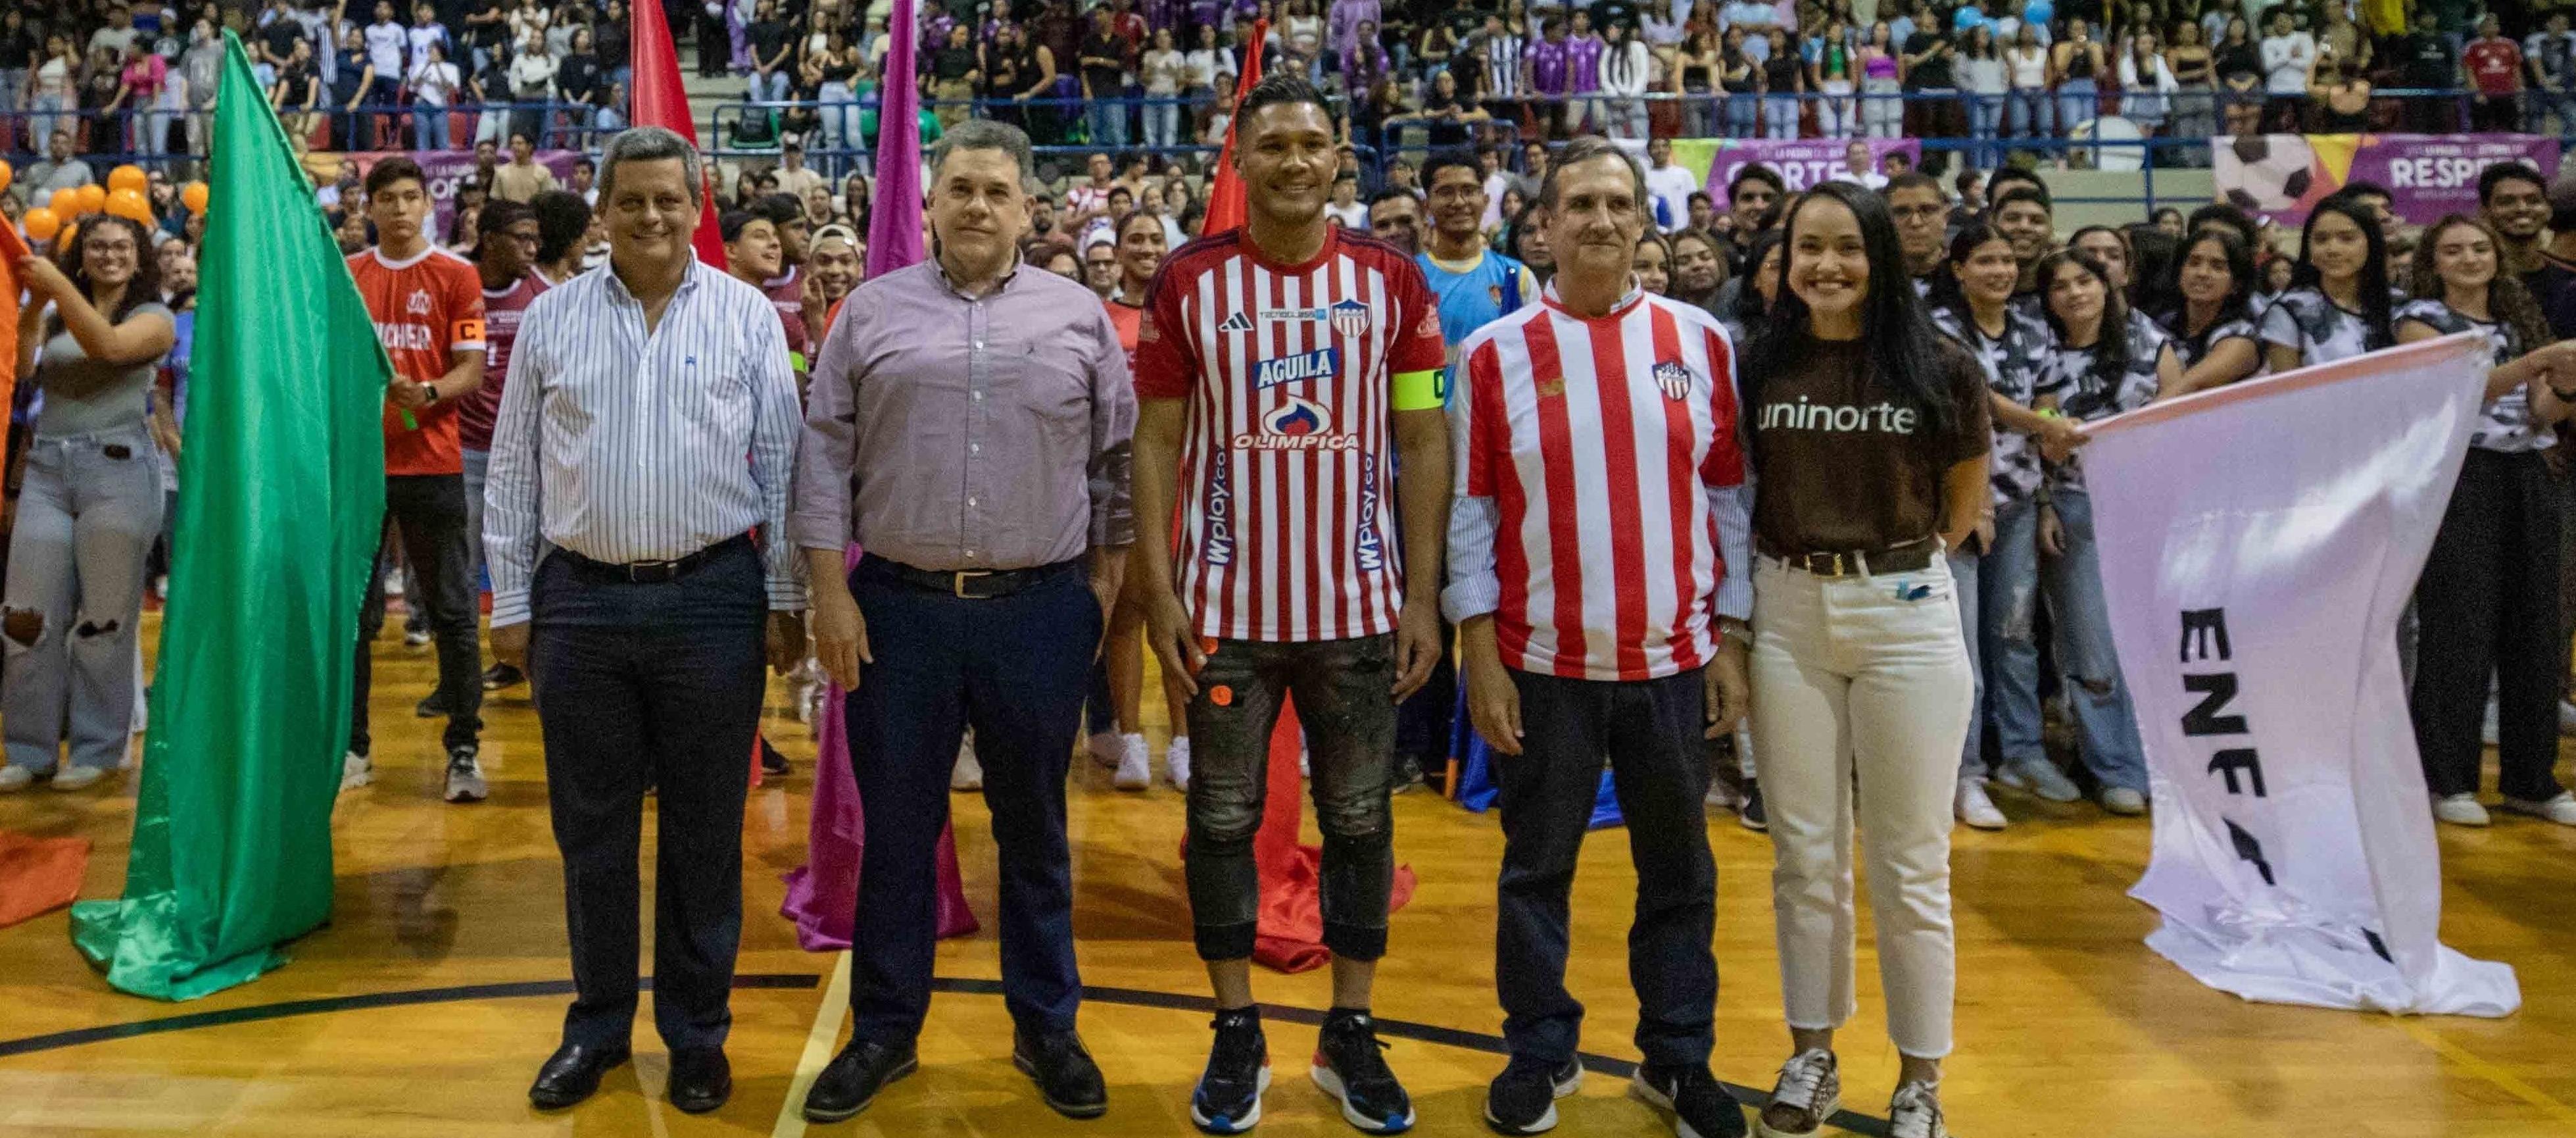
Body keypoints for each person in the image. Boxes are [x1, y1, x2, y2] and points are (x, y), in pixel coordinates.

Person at [794, 118, 1133, 1125]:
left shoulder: (1079, 318)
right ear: (930, 204)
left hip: (1040, 611)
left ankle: (1047, 1028)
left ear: (1030, 207)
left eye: (996, 190)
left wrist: (1101, 596)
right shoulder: (870, 313)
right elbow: (821, 457)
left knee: (1037, 831)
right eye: (959, 189)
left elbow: (1116, 467)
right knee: (897, 834)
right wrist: (827, 590)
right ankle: (886, 1031)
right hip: (897, 611)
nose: (977, 206)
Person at [1129, 75, 1449, 1137]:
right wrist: (1161, 585)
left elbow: (1419, 438)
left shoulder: (1394, 283)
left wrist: (1423, 590)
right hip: (1226, 611)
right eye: (1273, 145)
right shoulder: (1188, 283)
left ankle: (1349, 1032)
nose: (1295, 161)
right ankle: (1235, 1032)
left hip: (1359, 609)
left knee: (1359, 820)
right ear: (1238, 156)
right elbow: (1158, 440)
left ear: (1341, 153)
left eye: (1313, 143)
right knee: (1218, 822)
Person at [485, 125, 804, 1116]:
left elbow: (786, 470)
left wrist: (787, 596)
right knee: (593, 831)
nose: (653, 217)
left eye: (671, 199)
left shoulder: (748, 317)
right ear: (605, 208)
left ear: (696, 202)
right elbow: (512, 469)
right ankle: (597, 1025)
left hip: (713, 593)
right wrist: (512, 596)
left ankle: (698, 1033)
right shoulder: (552, 320)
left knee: (707, 831)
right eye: (634, 201)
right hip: (578, 598)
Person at [1446, 136, 1753, 1138]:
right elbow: (1471, 512)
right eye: (1579, 203)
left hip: (1672, 660)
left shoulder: (1700, 340)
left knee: (1681, 873)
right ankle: (1539, 1049)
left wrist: (1734, 633)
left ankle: (1677, 1058)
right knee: (1536, 869)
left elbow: (1727, 497)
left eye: (1618, 203)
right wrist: (1479, 648)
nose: (1601, 221)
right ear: (1544, 223)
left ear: (1642, 221)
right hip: (1542, 664)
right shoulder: (1492, 354)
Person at [1738, 180, 1985, 1138]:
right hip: (1789, 613)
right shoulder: (1760, 363)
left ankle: (1921, 1075)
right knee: (1804, 856)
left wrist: (1897, 574)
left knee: (1909, 861)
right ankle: (1813, 1052)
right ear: (1786, 262)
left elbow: (1962, 503)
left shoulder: (1941, 367)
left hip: (1906, 611)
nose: (1827, 265)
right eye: (1809, 248)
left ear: (1880, 257)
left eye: (1847, 247)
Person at [2398, 214, 2576, 829]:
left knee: (2535, 625)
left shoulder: (2518, 320)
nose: (2469, 258)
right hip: (2458, 474)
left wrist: (2567, 387)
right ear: (2434, 260)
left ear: (2496, 257)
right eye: (2453, 250)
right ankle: (2446, 777)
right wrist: (2540, 361)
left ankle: (2531, 780)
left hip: (2525, 471)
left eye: (2479, 248)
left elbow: (2538, 413)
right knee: (2458, 626)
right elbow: (2460, 394)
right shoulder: (2419, 321)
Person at [0, 215, 173, 793]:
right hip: (47, 469)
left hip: (118, 471)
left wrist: (56, 286)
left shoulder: (156, 318)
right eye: (97, 246)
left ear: (139, 257)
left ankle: (100, 749)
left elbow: (107, 345)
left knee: (104, 620)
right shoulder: (54, 316)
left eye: (123, 246)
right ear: (83, 254)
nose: (109, 255)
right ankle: (31, 750)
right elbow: (22, 371)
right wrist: (31, 307)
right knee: (24, 617)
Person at [341, 157, 489, 803]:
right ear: (368, 208)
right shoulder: (348, 277)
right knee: (355, 617)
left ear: (429, 203)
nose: (400, 208)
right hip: (361, 469)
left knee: (454, 612)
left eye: (410, 196)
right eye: (387, 199)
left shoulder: (458, 274)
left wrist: (424, 391)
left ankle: (463, 749)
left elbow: (471, 370)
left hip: (433, 464)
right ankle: (352, 748)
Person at [1926, 222, 2079, 831]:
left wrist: (2043, 491)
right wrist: (2044, 427)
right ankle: (1963, 774)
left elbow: (2045, 406)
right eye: (1984, 260)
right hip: (1955, 507)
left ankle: (2022, 754)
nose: (1999, 271)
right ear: (1958, 269)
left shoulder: (2034, 329)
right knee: (1961, 648)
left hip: (2017, 503)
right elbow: (1978, 406)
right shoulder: (1937, 328)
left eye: (2007, 261)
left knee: (2014, 637)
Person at [2031, 247, 2179, 815]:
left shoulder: (2151, 344)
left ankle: (2157, 765)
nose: (2074, 293)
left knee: (2150, 642)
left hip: (2149, 508)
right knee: (2091, 645)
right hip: (2075, 506)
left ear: (2106, 284)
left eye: (2084, 280)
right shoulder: (2044, 355)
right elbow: (2040, 434)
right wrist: (2044, 501)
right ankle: (2112, 766)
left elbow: (2178, 416)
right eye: (2060, 285)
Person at [1090, 210, 1189, 791]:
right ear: (1118, 250)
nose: (1147, 247)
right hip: (1120, 477)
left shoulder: (1184, 308)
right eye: (1136, 239)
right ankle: (1130, 742)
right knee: (1124, 614)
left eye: (1156, 238)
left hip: (1179, 475)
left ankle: (1183, 740)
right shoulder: (1100, 317)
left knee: (1175, 611)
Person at [458, 200, 547, 694]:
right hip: (464, 450)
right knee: (463, 570)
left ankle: (532, 668)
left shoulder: (544, 295)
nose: (532, 249)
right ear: (489, 239)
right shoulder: (458, 284)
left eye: (536, 239)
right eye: (521, 238)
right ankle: (463, 676)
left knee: (531, 564)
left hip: (524, 456)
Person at [2260, 195, 2394, 374]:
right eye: (2321, 240)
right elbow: (2286, 393)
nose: (2332, 249)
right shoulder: (2289, 311)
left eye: (2347, 239)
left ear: (2371, 244)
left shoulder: (2401, 305)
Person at [2154, 228, 2263, 399]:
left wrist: (2124, 425)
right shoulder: (2164, 323)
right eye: (2194, 263)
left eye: (2218, 267)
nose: (2202, 273)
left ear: (2236, 284)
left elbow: (2189, 388)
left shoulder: (2242, 337)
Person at [2481, 162, 2552, 281]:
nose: (2522, 209)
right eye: (2507, 202)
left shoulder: (2569, 276)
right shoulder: (2473, 277)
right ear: (2485, 211)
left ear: (2549, 209)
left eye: (2533, 201)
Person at [492, 131, 562, 203]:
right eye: (512, 144)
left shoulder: (543, 172)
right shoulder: (500, 172)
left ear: (530, 146)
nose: (515, 147)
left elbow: (547, 201)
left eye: (519, 143)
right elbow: (496, 201)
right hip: (509, 213)